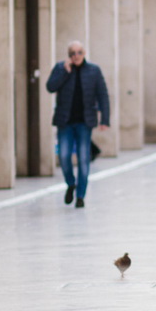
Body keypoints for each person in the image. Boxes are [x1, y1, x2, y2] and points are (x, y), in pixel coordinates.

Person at [46, 41, 110, 209]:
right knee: (64, 156)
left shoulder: (94, 71)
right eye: (73, 53)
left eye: (79, 52)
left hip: (84, 122)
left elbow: (103, 95)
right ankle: (70, 184)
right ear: (69, 55)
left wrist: (105, 120)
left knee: (83, 159)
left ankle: (80, 196)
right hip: (65, 121)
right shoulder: (61, 68)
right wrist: (64, 73)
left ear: (84, 53)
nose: (76, 56)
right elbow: (50, 87)